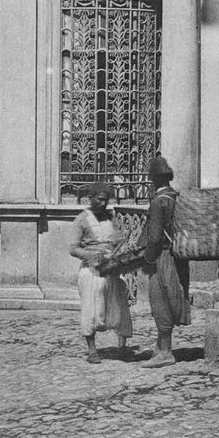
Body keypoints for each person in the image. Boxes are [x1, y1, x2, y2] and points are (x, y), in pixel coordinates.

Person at [69, 185, 135, 363]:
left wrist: (120, 249)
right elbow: (73, 249)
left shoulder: (111, 218)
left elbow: (119, 240)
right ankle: (92, 350)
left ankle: (122, 346)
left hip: (112, 269)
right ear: (90, 198)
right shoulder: (81, 219)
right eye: (99, 199)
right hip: (92, 271)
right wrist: (92, 255)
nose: (103, 203)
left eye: (106, 199)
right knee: (91, 308)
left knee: (119, 305)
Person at [141, 155, 191, 368]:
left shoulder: (158, 202)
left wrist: (147, 258)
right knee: (172, 296)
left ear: (153, 178)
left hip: (162, 258)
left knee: (160, 301)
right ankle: (161, 347)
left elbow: (154, 238)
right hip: (178, 257)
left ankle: (166, 352)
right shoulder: (176, 197)